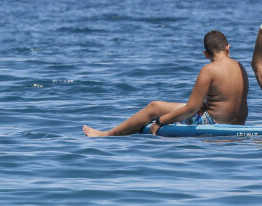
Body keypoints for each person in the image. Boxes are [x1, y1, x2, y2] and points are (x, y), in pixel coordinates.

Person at [82, 31, 249, 136]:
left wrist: (160, 122)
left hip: (214, 123)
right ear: (228, 48)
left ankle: (106, 134)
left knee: (154, 107)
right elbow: (224, 100)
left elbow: (191, 108)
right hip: (237, 122)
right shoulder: (240, 66)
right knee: (178, 109)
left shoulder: (209, 70)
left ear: (205, 54)